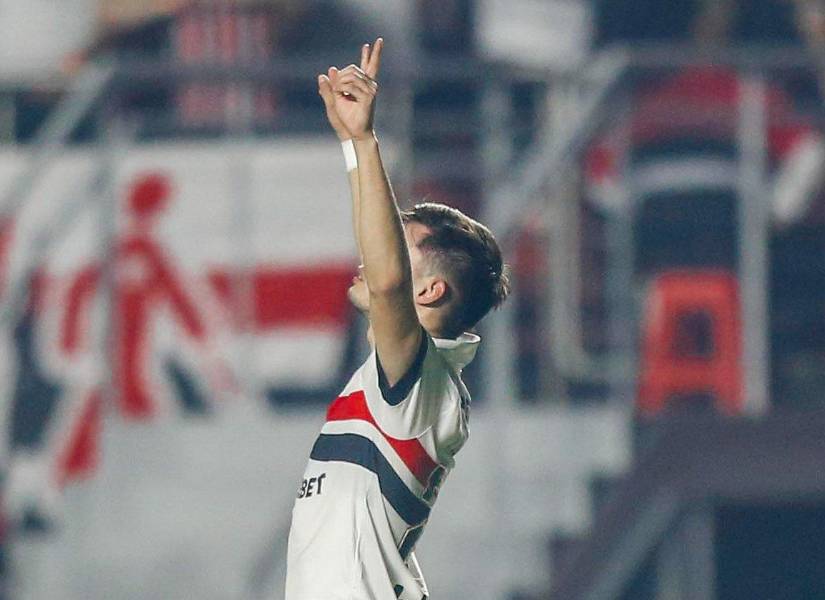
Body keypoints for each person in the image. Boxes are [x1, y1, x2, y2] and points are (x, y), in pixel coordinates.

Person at [284, 38, 510, 599]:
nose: (370, 256)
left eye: (397, 248)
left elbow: (388, 286)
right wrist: (350, 144)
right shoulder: (397, 383)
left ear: (430, 290)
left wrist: (361, 141)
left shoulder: (420, 384)